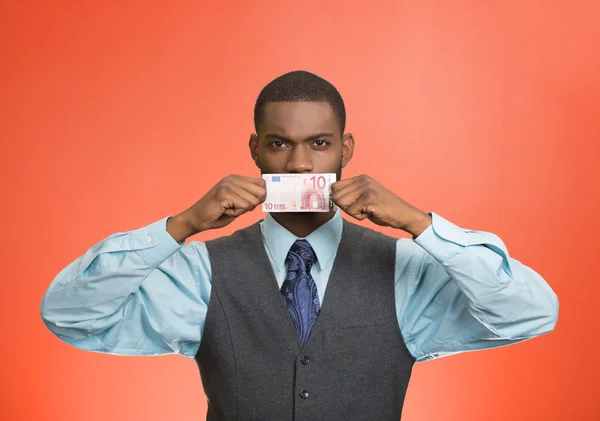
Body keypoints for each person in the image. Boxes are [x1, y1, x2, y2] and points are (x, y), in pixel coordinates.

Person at [40, 70, 559, 421]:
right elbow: (70, 313)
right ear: (256, 150)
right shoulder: (202, 271)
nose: (299, 166)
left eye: (319, 143)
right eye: (279, 143)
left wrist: (421, 225)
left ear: (345, 149)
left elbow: (531, 312)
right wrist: (181, 226)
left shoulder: (404, 268)